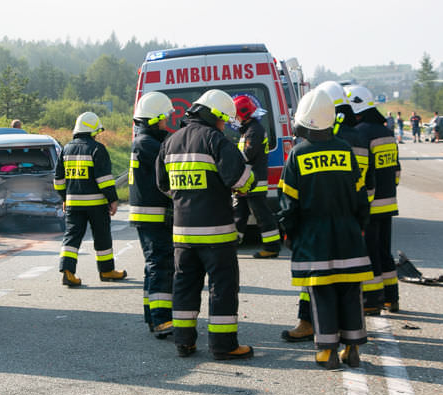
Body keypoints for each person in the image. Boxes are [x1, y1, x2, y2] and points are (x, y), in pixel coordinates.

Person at [155, 89, 255, 360]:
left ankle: (183, 342)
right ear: (214, 117)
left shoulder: (170, 142)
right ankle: (224, 346)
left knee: (184, 287)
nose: (225, 125)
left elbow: (163, 185)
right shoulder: (215, 140)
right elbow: (243, 181)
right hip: (216, 233)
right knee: (221, 288)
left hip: (182, 235)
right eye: (224, 120)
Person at [278, 88, 372, 369]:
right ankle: (352, 348)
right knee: (350, 291)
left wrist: (289, 235)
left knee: (322, 295)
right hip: (349, 234)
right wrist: (359, 227)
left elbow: (288, 204)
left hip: (314, 237)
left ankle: (327, 352)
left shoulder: (298, 154)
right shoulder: (345, 150)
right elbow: (360, 195)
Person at [54, 111, 126, 286]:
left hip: (73, 204)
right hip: (96, 205)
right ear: (93, 130)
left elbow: (58, 180)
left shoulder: (66, 149)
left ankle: (68, 271)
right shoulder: (97, 149)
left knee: (71, 237)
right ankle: (107, 270)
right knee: (102, 237)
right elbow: (104, 179)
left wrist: (65, 198)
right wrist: (113, 199)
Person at [349, 86, 402, 313]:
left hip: (370, 204)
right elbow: (396, 171)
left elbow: (363, 173)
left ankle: (372, 302)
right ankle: (392, 298)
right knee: (384, 251)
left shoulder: (360, 133)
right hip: (388, 202)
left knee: (370, 253)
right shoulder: (386, 132)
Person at [129, 92, 175, 337]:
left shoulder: (143, 141)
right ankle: (161, 319)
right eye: (164, 118)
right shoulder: (149, 145)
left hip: (147, 215)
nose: (167, 122)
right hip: (153, 215)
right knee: (161, 265)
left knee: (153, 266)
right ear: (154, 119)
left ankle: (152, 316)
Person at [231, 94, 281, 258]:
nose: (235, 119)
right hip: (247, 180)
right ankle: (231, 244)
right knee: (239, 212)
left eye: (236, 115)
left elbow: (246, 155)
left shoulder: (254, 131)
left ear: (244, 114)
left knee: (262, 214)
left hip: (254, 181)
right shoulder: (249, 130)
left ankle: (272, 247)